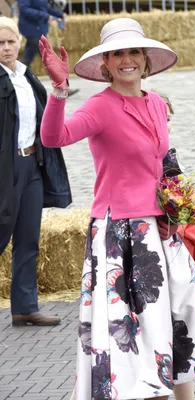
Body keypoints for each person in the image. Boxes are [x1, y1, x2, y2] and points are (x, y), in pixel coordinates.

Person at [39, 18, 195, 400]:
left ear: (145, 58)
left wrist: (179, 207)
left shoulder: (156, 102)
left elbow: (163, 163)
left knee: (180, 313)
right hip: (121, 235)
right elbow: (54, 137)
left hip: (161, 230)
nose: (127, 60)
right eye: (117, 53)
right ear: (105, 62)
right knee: (145, 324)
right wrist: (58, 91)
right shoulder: (100, 107)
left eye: (133, 51)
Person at [0, 16, 72, 326]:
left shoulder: (28, 77)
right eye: (0, 43)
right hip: (4, 167)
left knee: (28, 238)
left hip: (31, 164)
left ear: (19, 43)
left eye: (10, 42)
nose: (6, 48)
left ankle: (25, 306)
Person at [17, 0, 79, 96]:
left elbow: (43, 8)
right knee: (48, 59)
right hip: (32, 28)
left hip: (38, 28)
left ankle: (14, 81)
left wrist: (58, 14)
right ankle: (62, 88)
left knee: (28, 58)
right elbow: (25, 10)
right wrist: (45, 16)